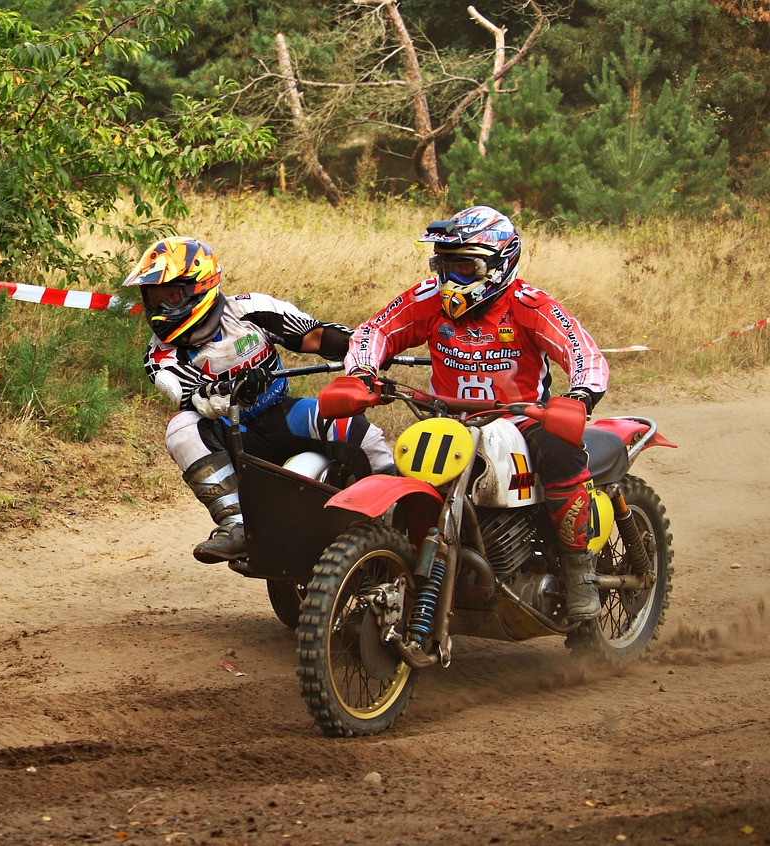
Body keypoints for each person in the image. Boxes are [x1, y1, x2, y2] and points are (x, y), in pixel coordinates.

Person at [343, 205, 610, 621]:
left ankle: (580, 571)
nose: (450, 280)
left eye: (465, 268)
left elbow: (581, 349)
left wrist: (580, 395)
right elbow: (375, 330)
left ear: (498, 266)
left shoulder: (528, 305)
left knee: (561, 451)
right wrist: (362, 373)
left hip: (520, 422)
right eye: (444, 266)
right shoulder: (429, 300)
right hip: (446, 421)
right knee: (400, 477)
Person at [124, 236, 395, 564]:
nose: (162, 308)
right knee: (181, 427)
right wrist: (240, 388)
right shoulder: (160, 356)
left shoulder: (251, 309)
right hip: (233, 437)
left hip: (281, 414)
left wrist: (360, 348)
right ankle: (235, 526)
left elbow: (313, 336)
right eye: (154, 298)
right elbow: (201, 400)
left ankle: (396, 513)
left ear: (200, 287)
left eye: (171, 295)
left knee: (356, 427)